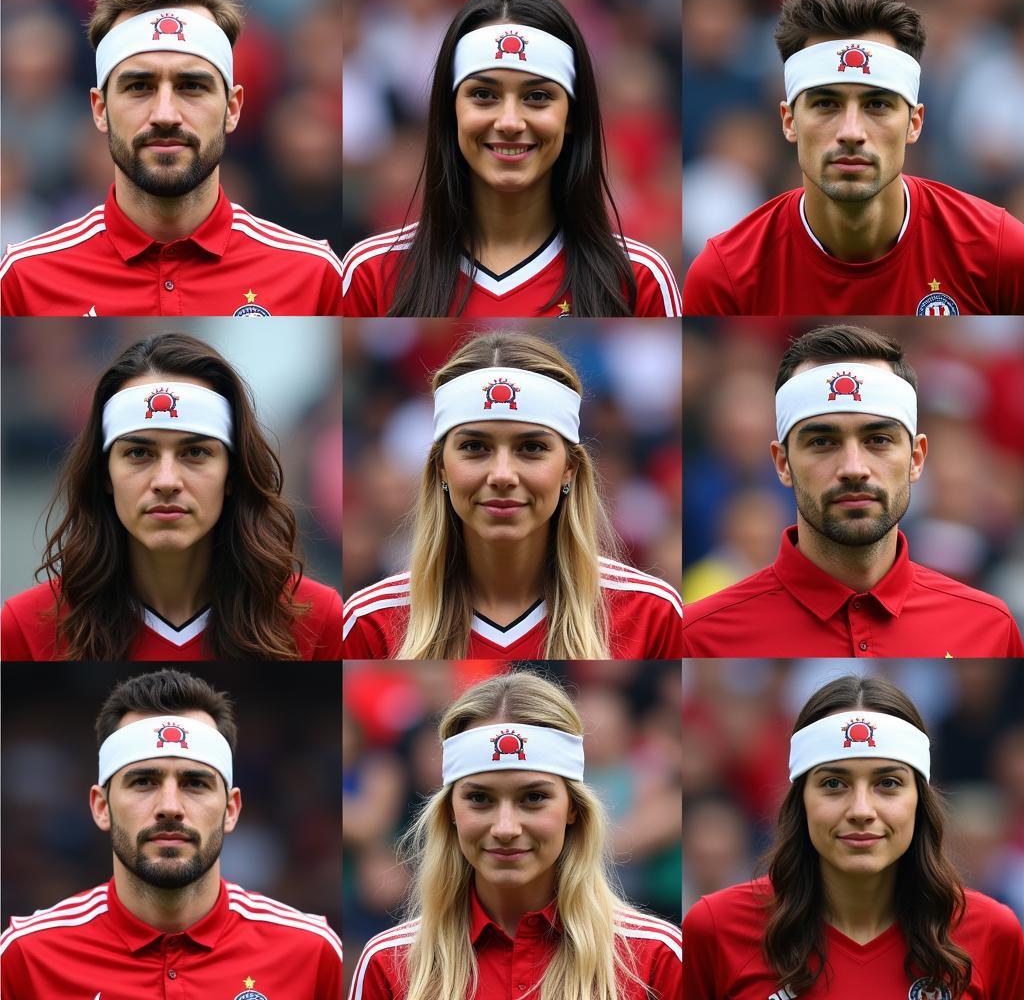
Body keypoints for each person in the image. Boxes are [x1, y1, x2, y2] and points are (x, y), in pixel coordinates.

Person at [0, 0, 342, 316]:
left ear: (232, 108)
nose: (165, 115)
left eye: (191, 86)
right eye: (139, 87)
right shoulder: (24, 279)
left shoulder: (312, 274)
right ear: (100, 110)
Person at [682, 0, 1024, 316]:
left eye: (877, 105)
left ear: (914, 124)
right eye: (826, 104)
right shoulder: (723, 275)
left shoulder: (1000, 252)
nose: (851, 132)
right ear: (789, 121)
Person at [682, 324, 1024, 657]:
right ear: (783, 463)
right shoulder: (701, 634)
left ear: (917, 459)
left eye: (878, 440)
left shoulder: (989, 627)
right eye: (822, 442)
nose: (853, 468)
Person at [341, 0, 680, 317]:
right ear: (449, 111)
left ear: (573, 115)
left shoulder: (639, 278)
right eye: (484, 95)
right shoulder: (372, 272)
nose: (510, 122)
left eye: (537, 97)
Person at [0, 668, 343, 996]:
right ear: (101, 807)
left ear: (231, 810)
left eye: (195, 783)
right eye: (144, 782)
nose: (170, 806)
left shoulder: (312, 952)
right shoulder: (26, 956)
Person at [342, 330, 683, 659]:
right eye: (475, 447)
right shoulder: (370, 623)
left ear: (570, 468)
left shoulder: (652, 615)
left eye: (531, 447)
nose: (502, 475)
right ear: (440, 468)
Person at [1, 332, 342, 660]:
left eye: (194, 452)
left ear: (232, 473)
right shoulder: (26, 628)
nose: (166, 481)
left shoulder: (318, 619)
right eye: (138, 453)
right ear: (105, 473)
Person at [683, 673, 1024, 998]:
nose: (861, 810)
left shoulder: (993, 933)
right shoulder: (715, 928)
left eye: (888, 783)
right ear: (800, 800)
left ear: (920, 800)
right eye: (834, 783)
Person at [348, 670, 681, 1000]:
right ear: (450, 811)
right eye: (479, 798)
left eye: (533, 798)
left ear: (573, 808)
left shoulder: (656, 959)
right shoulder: (388, 963)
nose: (505, 828)